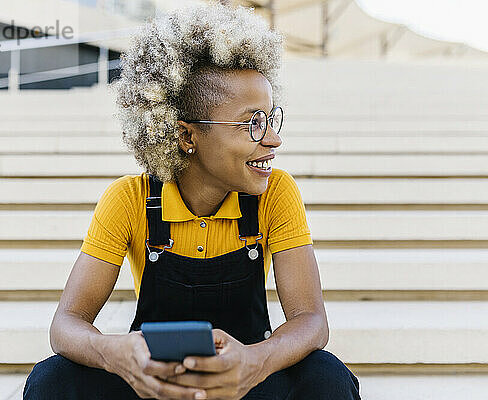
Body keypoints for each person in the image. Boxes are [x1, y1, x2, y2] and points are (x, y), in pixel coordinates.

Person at [24, 3, 361, 399]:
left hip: (246, 382)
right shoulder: (129, 200)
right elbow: (66, 324)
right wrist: (118, 355)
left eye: (271, 119)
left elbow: (311, 321)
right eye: (252, 123)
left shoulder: (275, 192)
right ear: (187, 137)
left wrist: (256, 362)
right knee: (52, 380)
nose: (272, 139)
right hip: (153, 388)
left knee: (327, 376)